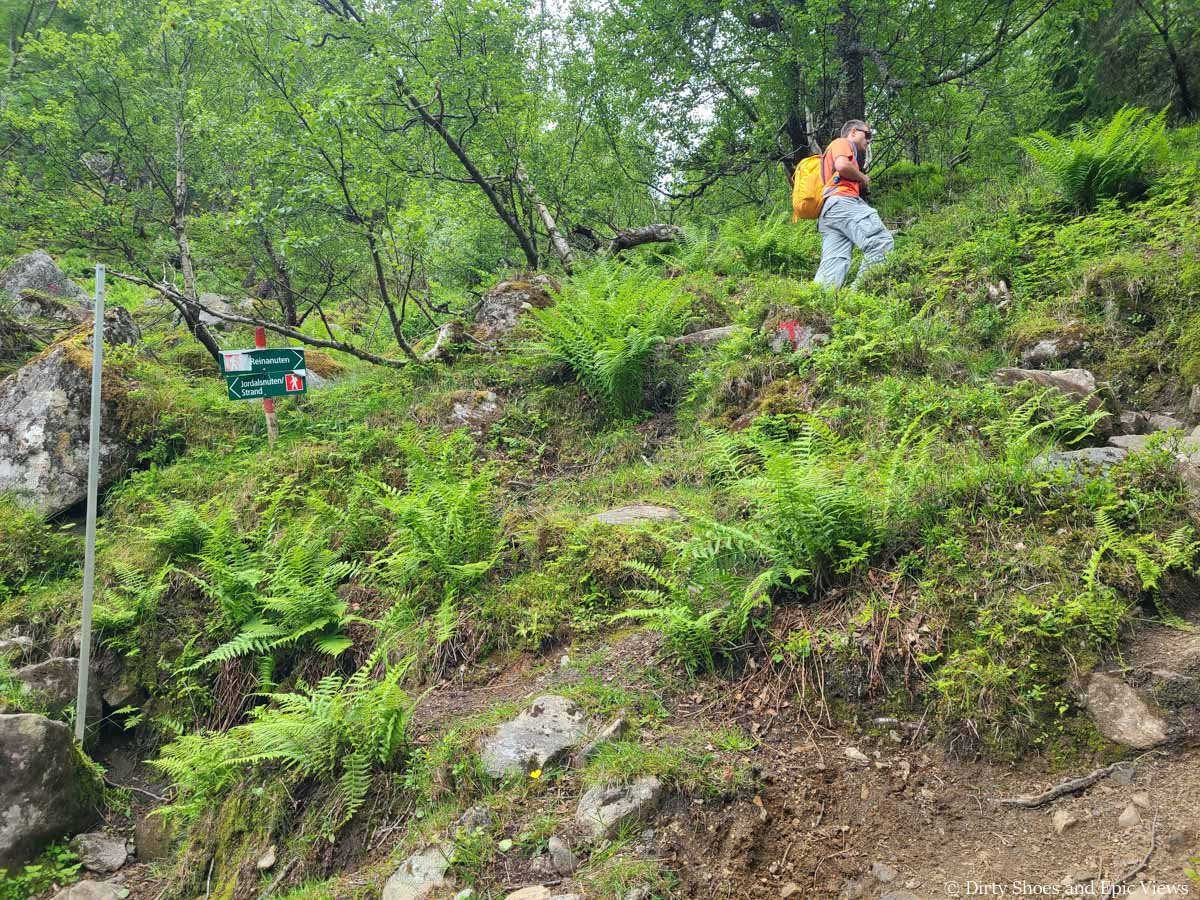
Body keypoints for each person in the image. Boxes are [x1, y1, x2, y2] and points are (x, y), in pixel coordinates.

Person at [812, 120, 894, 289]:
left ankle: (816, 306)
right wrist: (863, 178)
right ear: (854, 132)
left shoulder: (829, 153)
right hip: (842, 201)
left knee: (833, 263)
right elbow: (842, 166)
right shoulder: (842, 142)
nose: (869, 140)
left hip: (829, 211)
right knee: (880, 242)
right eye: (868, 134)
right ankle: (860, 297)